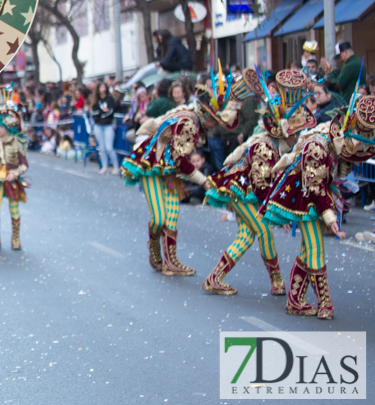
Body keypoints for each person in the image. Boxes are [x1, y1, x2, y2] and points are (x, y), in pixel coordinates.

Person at [263, 92, 375, 319]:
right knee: (315, 249)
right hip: (303, 197)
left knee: (308, 249)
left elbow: (332, 175)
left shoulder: (335, 141)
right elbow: (314, 187)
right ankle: (325, 303)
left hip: (314, 194)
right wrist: (331, 219)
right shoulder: (318, 145)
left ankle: (295, 300)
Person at [202, 69, 312, 296]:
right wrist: (276, 211)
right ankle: (277, 281)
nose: (296, 137)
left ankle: (215, 278)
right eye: (294, 133)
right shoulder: (265, 146)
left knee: (246, 236)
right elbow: (263, 187)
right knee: (263, 231)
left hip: (245, 191)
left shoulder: (275, 145)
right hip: (240, 191)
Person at [122, 70, 241, 276]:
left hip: (170, 171)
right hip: (153, 167)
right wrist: (203, 181)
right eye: (213, 121)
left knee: (172, 215)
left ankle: (171, 261)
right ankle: (154, 247)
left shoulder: (192, 120)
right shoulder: (189, 123)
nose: (214, 126)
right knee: (159, 218)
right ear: (206, 116)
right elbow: (180, 161)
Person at [0, 107, 30, 250]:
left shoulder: (17, 143)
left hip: (11, 180)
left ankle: (15, 239)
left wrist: (15, 173)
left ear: (8, 127)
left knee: (14, 209)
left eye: (0, 126)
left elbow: (24, 165)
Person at [91, 82, 117, 174]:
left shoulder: (110, 99)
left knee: (109, 147)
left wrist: (101, 114)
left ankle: (115, 167)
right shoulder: (96, 101)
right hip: (98, 125)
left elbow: (110, 111)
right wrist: (101, 113)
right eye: (101, 87)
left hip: (108, 125)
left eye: (104, 86)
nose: (102, 89)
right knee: (101, 148)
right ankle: (104, 166)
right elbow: (94, 112)